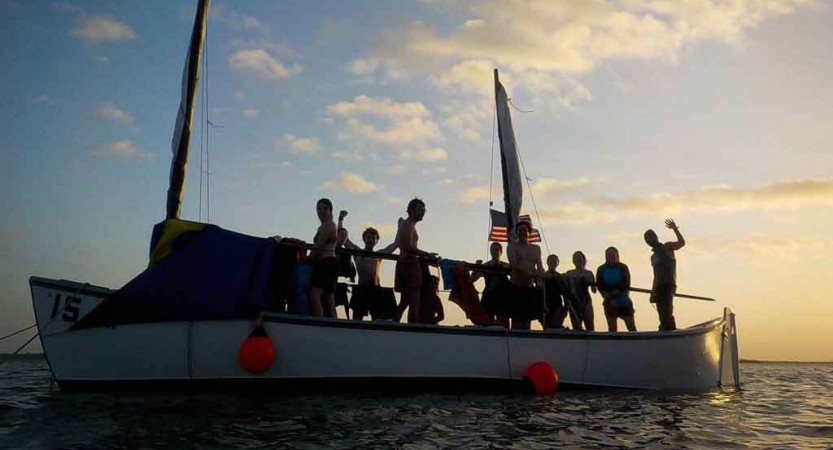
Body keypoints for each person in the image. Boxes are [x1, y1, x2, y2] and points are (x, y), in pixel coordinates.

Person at [337, 210, 397, 320]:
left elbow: (394, 245)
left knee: (378, 319)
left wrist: (399, 227)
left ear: (377, 240)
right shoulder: (357, 252)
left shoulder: (378, 255)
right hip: (361, 289)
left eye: (373, 238)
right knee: (357, 318)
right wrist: (341, 219)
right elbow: (344, 240)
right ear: (364, 239)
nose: (370, 240)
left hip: (376, 289)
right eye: (368, 237)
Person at [391, 198, 438, 323]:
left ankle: (394, 322)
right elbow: (406, 246)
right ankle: (412, 327)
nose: (423, 213)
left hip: (406, 263)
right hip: (409, 264)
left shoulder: (406, 224)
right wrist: (427, 255)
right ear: (412, 210)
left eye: (424, 210)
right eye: (420, 210)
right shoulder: (407, 224)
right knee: (413, 300)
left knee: (405, 300)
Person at [645, 218, 685, 331]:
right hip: (659, 288)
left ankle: (670, 332)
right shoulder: (653, 257)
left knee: (667, 314)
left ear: (655, 237)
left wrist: (675, 229)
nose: (649, 240)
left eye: (650, 237)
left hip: (668, 286)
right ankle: (664, 330)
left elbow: (681, 243)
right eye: (646, 239)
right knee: (662, 316)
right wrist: (653, 292)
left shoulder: (667, 247)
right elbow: (656, 276)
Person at [506, 221, 544, 330]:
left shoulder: (536, 249)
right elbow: (513, 264)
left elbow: (540, 266)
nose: (521, 232)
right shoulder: (512, 246)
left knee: (528, 318)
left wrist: (542, 276)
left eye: (524, 230)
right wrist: (530, 273)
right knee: (516, 319)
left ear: (529, 232)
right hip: (515, 286)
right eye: (519, 230)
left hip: (530, 287)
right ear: (516, 233)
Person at [308, 198, 338, 317]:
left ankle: (318, 322)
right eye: (318, 209)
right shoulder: (321, 227)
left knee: (315, 294)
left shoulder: (330, 225)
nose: (321, 211)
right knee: (328, 297)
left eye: (325, 208)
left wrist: (307, 260)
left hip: (327, 262)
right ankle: (334, 324)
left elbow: (319, 246)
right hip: (323, 262)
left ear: (330, 210)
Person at [596, 247, 636, 332]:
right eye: (609, 255)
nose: (611, 257)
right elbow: (599, 285)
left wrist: (616, 292)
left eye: (613, 255)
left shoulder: (623, 267)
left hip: (623, 299)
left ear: (617, 255)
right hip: (609, 300)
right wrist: (605, 294)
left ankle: (637, 342)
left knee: (631, 327)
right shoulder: (601, 269)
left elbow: (626, 283)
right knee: (612, 328)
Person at [471, 242, 510, 324]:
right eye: (492, 250)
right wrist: (476, 267)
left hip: (502, 298)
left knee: (504, 323)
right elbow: (473, 279)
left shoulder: (506, 266)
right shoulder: (486, 266)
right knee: (486, 323)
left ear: (500, 252)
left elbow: (515, 275)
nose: (494, 252)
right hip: (488, 297)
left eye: (496, 250)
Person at [565, 251, 596, 331]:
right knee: (576, 328)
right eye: (575, 258)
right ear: (573, 261)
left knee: (590, 326)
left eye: (579, 258)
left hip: (586, 301)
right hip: (573, 302)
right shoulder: (569, 274)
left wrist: (590, 281)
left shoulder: (588, 273)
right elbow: (565, 289)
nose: (578, 260)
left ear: (583, 259)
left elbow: (594, 290)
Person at [334, 226, 357, 319]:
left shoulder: (346, 254)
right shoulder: (329, 249)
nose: (343, 237)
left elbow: (351, 273)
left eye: (345, 236)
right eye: (341, 235)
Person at [542, 254, 568, 329]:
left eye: (554, 261)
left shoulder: (560, 277)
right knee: (547, 327)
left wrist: (566, 308)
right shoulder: (542, 276)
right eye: (551, 261)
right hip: (545, 304)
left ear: (557, 263)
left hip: (557, 306)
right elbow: (538, 290)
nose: (552, 263)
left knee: (557, 326)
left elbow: (565, 294)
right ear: (547, 262)